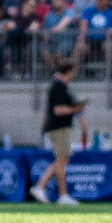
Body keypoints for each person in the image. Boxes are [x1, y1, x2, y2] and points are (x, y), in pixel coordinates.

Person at [31, 60, 85, 206]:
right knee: (62, 161)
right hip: (59, 128)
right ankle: (61, 194)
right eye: (73, 72)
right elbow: (57, 110)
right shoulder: (59, 87)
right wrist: (75, 109)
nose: (74, 75)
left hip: (60, 128)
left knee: (62, 160)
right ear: (69, 71)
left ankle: (41, 187)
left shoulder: (60, 86)